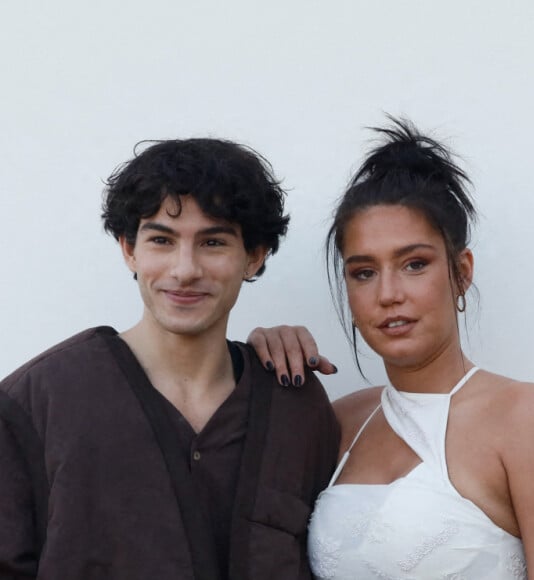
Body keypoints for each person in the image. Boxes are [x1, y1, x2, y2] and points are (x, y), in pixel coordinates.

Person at [248, 118, 534, 578]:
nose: (388, 294)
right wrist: (251, 361)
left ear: (461, 272)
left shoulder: (525, 417)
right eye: (363, 272)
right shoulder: (340, 422)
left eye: (414, 264)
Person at [0, 138, 339, 580]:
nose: (184, 269)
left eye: (213, 242)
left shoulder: (294, 403)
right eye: (161, 239)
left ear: (253, 257)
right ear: (129, 250)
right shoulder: (38, 400)